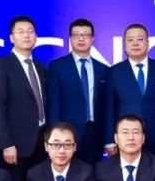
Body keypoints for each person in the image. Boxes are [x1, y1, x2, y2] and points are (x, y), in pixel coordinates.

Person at [0, 15, 48, 181]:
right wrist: (6, 144)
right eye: (21, 31)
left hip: (41, 142)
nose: (26, 35)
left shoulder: (40, 66)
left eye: (30, 31)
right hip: (15, 145)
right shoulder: (1, 66)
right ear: (11, 37)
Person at [103, 23, 155, 156]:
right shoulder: (114, 72)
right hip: (126, 138)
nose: (135, 43)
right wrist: (109, 140)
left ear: (147, 43)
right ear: (124, 45)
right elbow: (109, 109)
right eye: (130, 40)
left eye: (140, 39)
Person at [46, 18, 109, 165]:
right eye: (76, 35)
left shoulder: (103, 69)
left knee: (94, 174)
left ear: (93, 38)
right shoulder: (57, 66)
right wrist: (54, 137)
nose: (81, 39)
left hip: (96, 134)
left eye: (85, 35)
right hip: (67, 135)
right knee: (69, 173)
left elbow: (106, 106)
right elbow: (53, 104)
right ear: (70, 38)